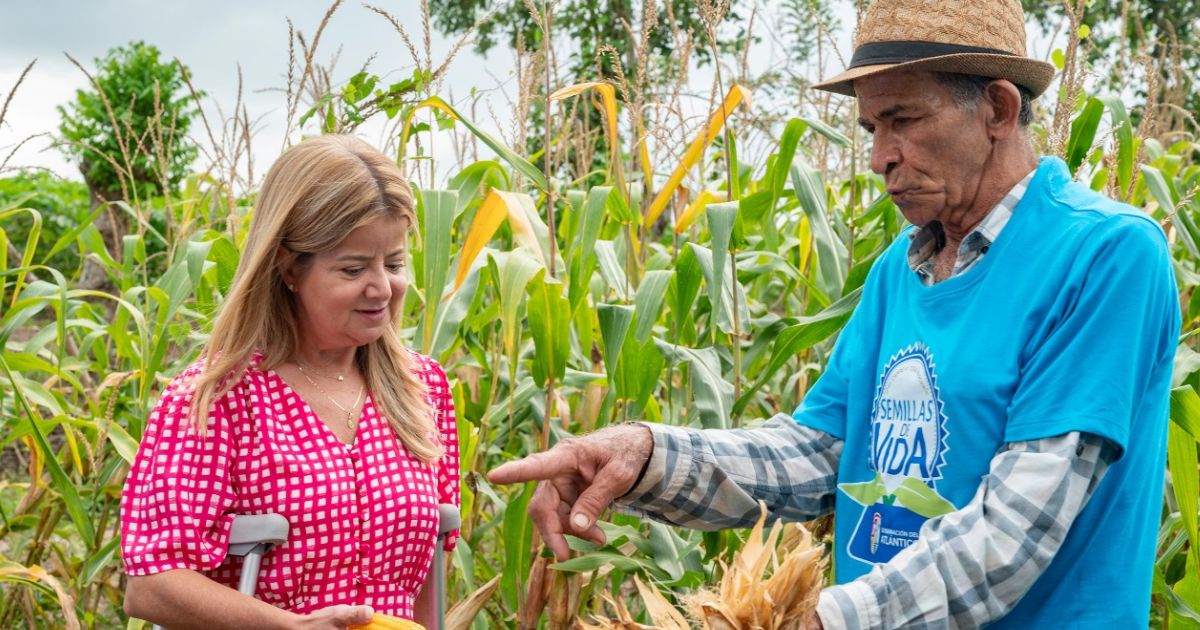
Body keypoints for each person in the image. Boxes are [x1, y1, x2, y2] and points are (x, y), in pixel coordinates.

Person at [488, 0, 1179, 627]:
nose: (879, 157)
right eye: (871, 127)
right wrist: (644, 458)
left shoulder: (1104, 256)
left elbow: (1015, 531)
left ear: (997, 109)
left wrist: (826, 620)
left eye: (902, 120)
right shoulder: (897, 272)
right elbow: (822, 454)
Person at [121, 135, 460, 629]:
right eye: (352, 268)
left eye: (393, 263)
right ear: (288, 268)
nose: (382, 288)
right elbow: (152, 585)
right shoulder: (215, 400)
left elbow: (430, 568)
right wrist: (285, 627)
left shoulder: (422, 388)